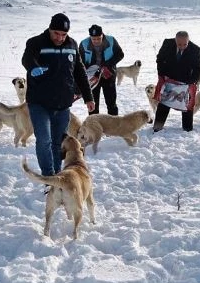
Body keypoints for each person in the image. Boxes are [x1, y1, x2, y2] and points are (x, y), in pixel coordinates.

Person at [21, 13, 95, 180]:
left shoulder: (72, 45)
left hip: (62, 104)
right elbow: (27, 58)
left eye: (64, 34)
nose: (60, 38)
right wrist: (33, 67)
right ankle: (49, 177)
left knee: (57, 142)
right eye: (57, 34)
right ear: (50, 29)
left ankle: (57, 176)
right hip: (39, 103)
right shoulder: (36, 42)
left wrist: (88, 97)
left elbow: (80, 72)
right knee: (44, 140)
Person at [153, 31, 200, 132]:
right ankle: (157, 127)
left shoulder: (195, 49)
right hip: (169, 79)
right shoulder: (167, 44)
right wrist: (162, 75)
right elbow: (160, 59)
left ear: (188, 41)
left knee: (187, 106)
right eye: (179, 44)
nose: (182, 46)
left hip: (185, 80)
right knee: (164, 104)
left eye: (185, 44)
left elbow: (197, 68)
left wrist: (191, 82)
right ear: (175, 40)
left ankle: (187, 129)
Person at [78, 24, 125, 115]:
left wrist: (108, 65)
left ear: (102, 35)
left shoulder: (111, 41)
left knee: (111, 103)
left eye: (98, 38)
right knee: (93, 105)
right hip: (93, 78)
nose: (96, 41)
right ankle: (93, 127)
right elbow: (80, 62)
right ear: (90, 37)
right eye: (93, 39)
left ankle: (114, 126)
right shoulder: (84, 44)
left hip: (108, 75)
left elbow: (120, 54)